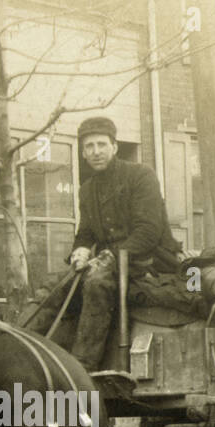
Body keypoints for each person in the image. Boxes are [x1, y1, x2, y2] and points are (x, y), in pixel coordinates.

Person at [21, 116, 185, 371]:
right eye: (89, 147)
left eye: (101, 144)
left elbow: (149, 232)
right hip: (109, 264)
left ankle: (82, 368)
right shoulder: (87, 190)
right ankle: (21, 350)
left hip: (151, 263)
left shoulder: (141, 176)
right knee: (54, 285)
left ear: (114, 147)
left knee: (97, 284)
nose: (95, 152)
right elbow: (86, 232)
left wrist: (110, 256)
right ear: (83, 153)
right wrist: (80, 251)